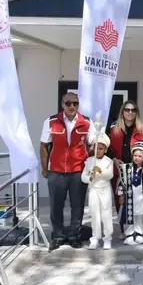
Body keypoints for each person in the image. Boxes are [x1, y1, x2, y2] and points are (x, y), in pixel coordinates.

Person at [40, 92, 95, 250]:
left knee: (77, 205)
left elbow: (93, 144)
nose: (71, 106)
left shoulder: (86, 122)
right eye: (68, 103)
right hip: (56, 170)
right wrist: (45, 168)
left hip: (78, 170)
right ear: (62, 104)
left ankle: (73, 235)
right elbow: (44, 145)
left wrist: (87, 158)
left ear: (78, 105)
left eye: (75, 103)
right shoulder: (51, 122)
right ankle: (58, 235)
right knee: (56, 205)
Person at [107, 100, 143, 237]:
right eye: (127, 110)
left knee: (137, 201)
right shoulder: (113, 128)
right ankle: (124, 229)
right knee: (120, 200)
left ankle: (137, 229)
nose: (130, 112)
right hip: (118, 169)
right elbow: (106, 147)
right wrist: (114, 159)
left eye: (133, 110)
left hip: (135, 170)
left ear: (136, 112)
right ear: (122, 112)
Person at [81, 133, 114, 250]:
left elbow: (110, 175)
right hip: (93, 190)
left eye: (101, 148)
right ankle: (95, 238)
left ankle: (107, 238)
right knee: (94, 214)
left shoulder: (109, 161)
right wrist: (90, 177)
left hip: (104, 190)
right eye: (95, 147)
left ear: (105, 150)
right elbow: (83, 177)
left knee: (106, 213)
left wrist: (100, 171)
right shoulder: (89, 161)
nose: (98, 150)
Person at [117, 142, 143, 245]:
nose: (136, 158)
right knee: (128, 214)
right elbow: (120, 182)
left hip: (141, 197)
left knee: (140, 215)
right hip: (129, 196)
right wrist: (121, 195)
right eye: (135, 155)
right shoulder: (125, 168)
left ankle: (139, 233)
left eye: (139, 156)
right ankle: (129, 234)